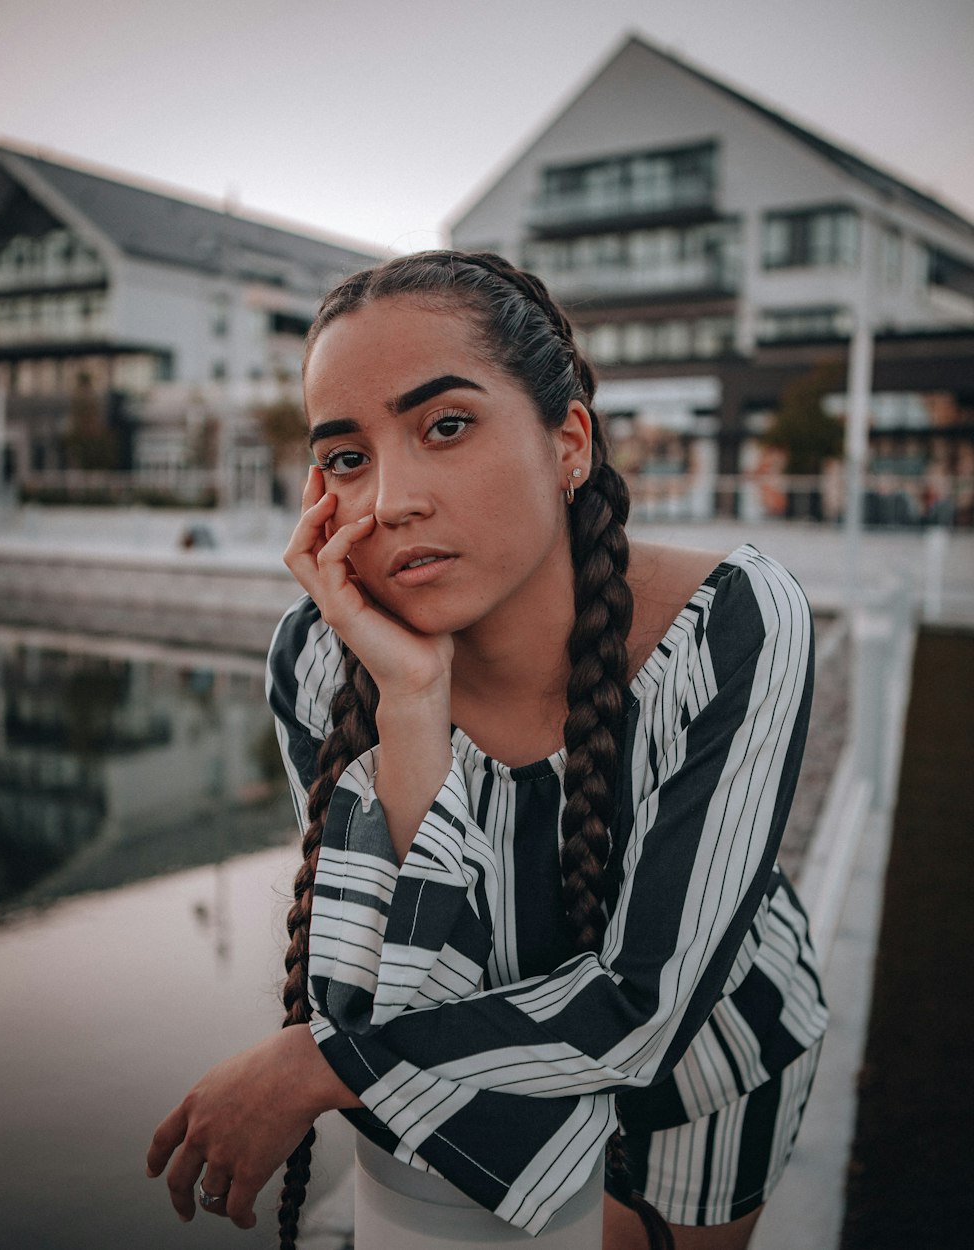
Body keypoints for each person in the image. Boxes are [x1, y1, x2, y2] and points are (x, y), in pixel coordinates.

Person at [146, 251, 828, 1249]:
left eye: (446, 426)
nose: (388, 501)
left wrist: (312, 1065)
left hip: (712, 1061)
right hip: (470, 1073)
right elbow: (384, 986)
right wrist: (413, 700)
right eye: (346, 456)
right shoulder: (316, 662)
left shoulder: (729, 621)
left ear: (568, 441)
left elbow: (643, 1011)